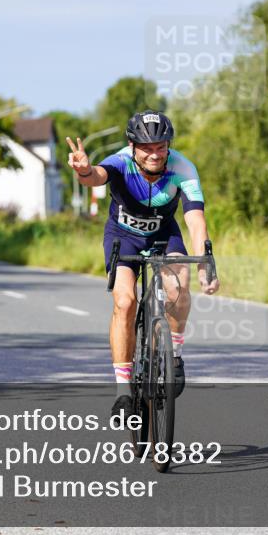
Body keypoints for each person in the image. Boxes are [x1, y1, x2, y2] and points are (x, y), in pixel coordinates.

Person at [65, 111, 220, 417]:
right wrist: (85, 172)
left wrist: (205, 263)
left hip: (164, 235)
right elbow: (97, 176)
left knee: (179, 289)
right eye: (147, 148)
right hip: (123, 238)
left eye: (161, 147)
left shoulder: (183, 168)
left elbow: (195, 220)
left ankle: (174, 356)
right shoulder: (120, 162)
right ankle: (123, 391)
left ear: (169, 145)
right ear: (132, 146)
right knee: (125, 302)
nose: (154, 154)